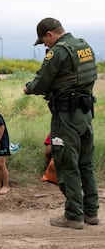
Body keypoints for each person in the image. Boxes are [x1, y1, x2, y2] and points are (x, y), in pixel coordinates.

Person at [24, 17, 99, 229]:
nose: (45, 46)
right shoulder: (84, 46)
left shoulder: (57, 52)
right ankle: (91, 213)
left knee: (67, 164)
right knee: (86, 164)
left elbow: (40, 83)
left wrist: (28, 88)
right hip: (85, 113)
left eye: (44, 41)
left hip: (66, 117)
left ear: (50, 34)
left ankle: (74, 215)